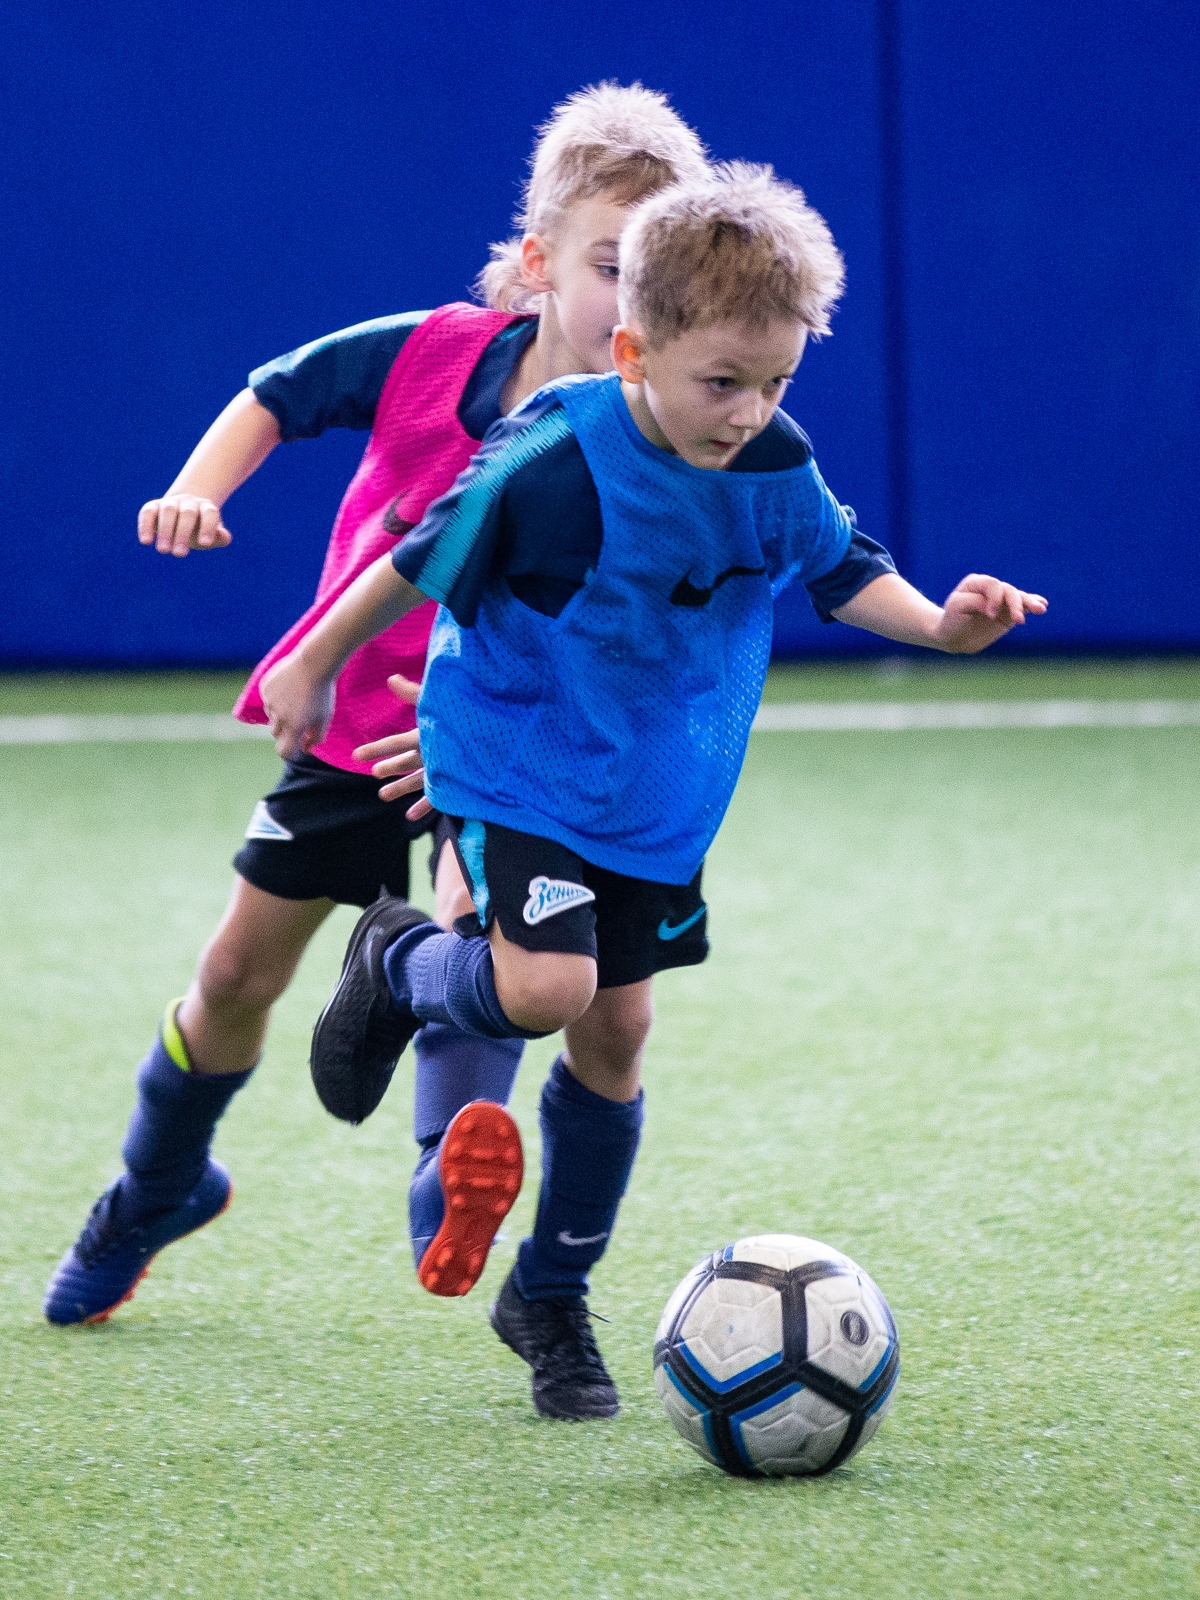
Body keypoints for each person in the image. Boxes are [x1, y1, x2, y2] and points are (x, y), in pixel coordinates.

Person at [259, 163, 1047, 1420]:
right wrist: (311, 658)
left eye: (777, 380)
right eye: (721, 381)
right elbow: (415, 562)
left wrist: (946, 627)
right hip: (516, 758)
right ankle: (402, 962)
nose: (748, 410)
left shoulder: (771, 460)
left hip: (654, 792)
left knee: (615, 1038)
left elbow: (843, 568)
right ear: (635, 346)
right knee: (547, 987)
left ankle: (552, 1297)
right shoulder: (554, 455)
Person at [43, 85, 710, 1328]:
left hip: (510, 746)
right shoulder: (433, 353)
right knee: (237, 973)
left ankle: (443, 1192)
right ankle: (156, 1185)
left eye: (665, 279)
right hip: (357, 722)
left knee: (495, 938)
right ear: (535, 263)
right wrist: (196, 489)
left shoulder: (673, 434)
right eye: (614, 267)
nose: (639, 304)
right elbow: (279, 392)